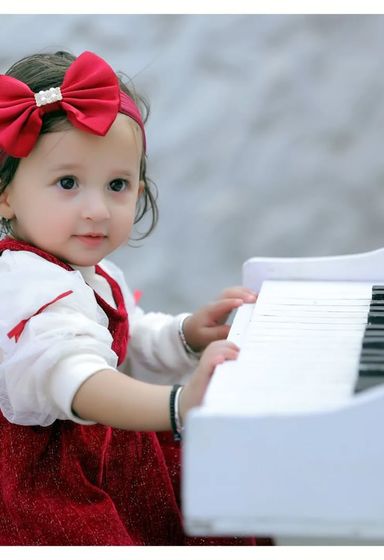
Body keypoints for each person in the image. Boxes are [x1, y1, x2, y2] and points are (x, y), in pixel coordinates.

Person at [0, 50, 257, 546]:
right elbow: (78, 379)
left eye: (117, 184)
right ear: (6, 194)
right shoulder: (24, 286)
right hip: (55, 493)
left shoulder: (80, 271)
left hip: (107, 462)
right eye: (67, 183)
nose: (97, 209)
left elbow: (122, 339)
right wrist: (180, 405)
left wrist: (184, 334)